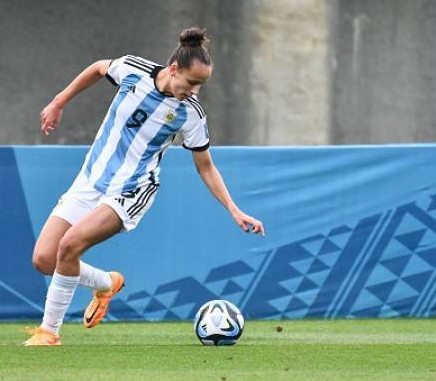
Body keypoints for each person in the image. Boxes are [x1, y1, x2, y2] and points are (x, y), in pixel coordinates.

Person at [24, 28, 264, 346]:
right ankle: (107, 282)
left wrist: (233, 209)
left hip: (132, 189)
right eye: (192, 83)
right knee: (44, 258)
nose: (195, 92)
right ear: (174, 69)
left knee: (69, 246)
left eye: (201, 86)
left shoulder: (190, 115)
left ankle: (49, 333)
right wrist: (58, 102)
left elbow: (205, 166)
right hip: (89, 181)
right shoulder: (133, 70)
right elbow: (98, 67)